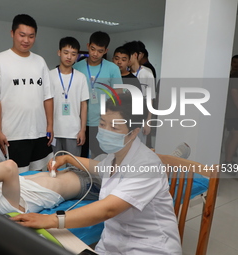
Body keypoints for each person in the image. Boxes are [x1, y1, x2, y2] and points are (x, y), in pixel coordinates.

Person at [12, 93, 182, 255]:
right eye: (102, 124)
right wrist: (67, 159)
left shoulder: (147, 165)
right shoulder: (116, 156)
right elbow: (98, 166)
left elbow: (108, 209)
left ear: (134, 131)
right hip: (113, 244)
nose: (106, 130)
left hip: (149, 247)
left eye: (114, 127)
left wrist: (51, 220)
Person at [0, 14, 53, 172]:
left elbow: (48, 96)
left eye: (31, 36)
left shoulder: (40, 62)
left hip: (40, 132)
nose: (26, 40)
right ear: (12, 33)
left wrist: (50, 125)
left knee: (40, 177)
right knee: (17, 179)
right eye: (22, 35)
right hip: (13, 135)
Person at [73, 31, 122, 158]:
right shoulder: (77, 67)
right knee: (80, 159)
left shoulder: (112, 69)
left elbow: (118, 96)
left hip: (102, 123)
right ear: (88, 46)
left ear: (106, 51)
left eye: (100, 51)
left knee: (102, 159)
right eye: (93, 49)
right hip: (80, 123)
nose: (95, 54)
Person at [50, 37, 89, 157]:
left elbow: (84, 105)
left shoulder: (80, 77)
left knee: (74, 168)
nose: (69, 57)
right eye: (66, 53)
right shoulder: (49, 75)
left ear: (77, 56)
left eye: (73, 54)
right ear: (59, 52)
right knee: (53, 167)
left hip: (74, 131)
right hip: (54, 131)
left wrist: (82, 130)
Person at [123, 41, 155, 146]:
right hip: (125, 118)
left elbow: (150, 100)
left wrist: (148, 122)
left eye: (127, 56)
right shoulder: (123, 74)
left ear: (135, 55)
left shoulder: (147, 74)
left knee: (139, 149)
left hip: (140, 119)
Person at [224, 71, 238, 169]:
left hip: (231, 112)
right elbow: (234, 92)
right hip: (234, 113)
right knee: (236, 136)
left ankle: (228, 158)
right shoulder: (236, 77)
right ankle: (228, 162)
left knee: (232, 135)